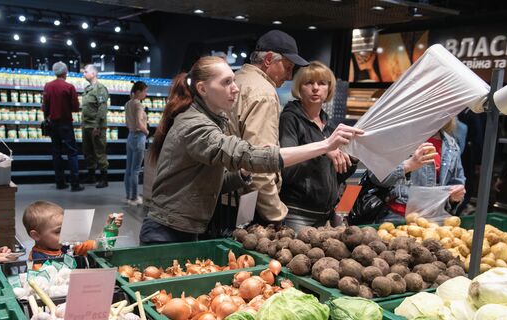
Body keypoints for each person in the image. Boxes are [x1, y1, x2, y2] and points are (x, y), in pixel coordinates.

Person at [140, 56, 362, 245]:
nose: (235, 88)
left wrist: (244, 173)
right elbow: (243, 153)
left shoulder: (216, 120)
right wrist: (324, 145)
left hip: (189, 227)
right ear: (202, 89)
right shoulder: (195, 125)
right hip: (167, 231)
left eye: (233, 81)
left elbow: (212, 181)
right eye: (227, 82)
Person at [228, 30, 309, 226]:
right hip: (246, 202)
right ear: (269, 60)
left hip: (224, 194)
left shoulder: (236, 80)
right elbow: (258, 163)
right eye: (288, 67)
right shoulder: (263, 92)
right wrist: (277, 214)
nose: (289, 76)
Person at [279, 61, 357, 231]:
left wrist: (354, 157)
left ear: (329, 89)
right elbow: (287, 169)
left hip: (326, 215)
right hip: (297, 213)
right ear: (299, 88)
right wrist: (324, 149)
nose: (315, 88)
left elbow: (337, 175)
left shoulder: (329, 125)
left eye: (322, 83)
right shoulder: (290, 119)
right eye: (309, 83)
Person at [371, 118, 466, 222]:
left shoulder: (451, 145)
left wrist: (454, 196)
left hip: (433, 221)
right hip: (396, 219)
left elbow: (455, 184)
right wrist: (408, 165)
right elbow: (376, 177)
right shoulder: (398, 138)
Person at [22, 201, 124, 260]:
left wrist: (108, 227)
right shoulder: (37, 260)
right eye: (58, 231)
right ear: (36, 235)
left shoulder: (69, 244)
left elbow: (97, 246)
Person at [43, 61, 83, 192]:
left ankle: (60, 182)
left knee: (56, 153)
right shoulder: (69, 87)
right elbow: (75, 107)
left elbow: (45, 107)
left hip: (53, 123)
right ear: (65, 72)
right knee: (72, 153)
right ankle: (75, 184)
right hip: (66, 123)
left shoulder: (48, 86)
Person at [81, 64, 109, 188]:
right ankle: (91, 176)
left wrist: (97, 126)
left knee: (99, 151)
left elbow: (102, 108)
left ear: (93, 73)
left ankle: (104, 178)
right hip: (86, 125)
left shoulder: (100, 88)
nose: (84, 74)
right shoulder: (87, 89)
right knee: (88, 152)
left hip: (96, 126)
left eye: (86, 71)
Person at [124, 81, 149, 205]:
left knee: (129, 169)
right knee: (136, 170)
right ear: (138, 92)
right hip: (139, 137)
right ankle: (134, 198)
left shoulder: (128, 104)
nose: (146, 94)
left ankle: (128, 196)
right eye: (145, 91)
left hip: (130, 136)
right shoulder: (138, 105)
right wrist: (146, 131)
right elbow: (139, 123)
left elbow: (127, 123)